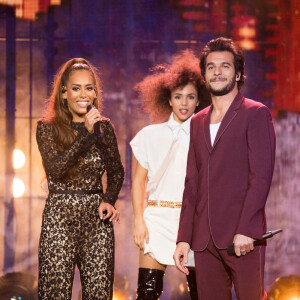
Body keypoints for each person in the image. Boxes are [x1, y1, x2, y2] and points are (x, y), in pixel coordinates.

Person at [173, 37, 276, 300]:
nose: (217, 71)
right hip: (204, 241)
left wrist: (247, 229)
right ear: (205, 76)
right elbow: (191, 183)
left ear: (238, 73)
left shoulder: (256, 113)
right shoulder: (196, 121)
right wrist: (184, 238)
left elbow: (261, 177)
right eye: (211, 67)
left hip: (242, 239)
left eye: (225, 66)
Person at [36, 58, 124, 299]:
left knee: (98, 295)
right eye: (76, 88)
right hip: (59, 221)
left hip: (97, 223)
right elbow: (56, 170)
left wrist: (109, 199)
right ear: (64, 93)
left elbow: (116, 171)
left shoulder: (104, 128)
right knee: (54, 294)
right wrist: (85, 133)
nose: (83, 94)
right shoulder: (47, 128)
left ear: (95, 92)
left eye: (89, 87)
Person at [130, 50, 211, 299]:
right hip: (155, 219)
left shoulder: (206, 136)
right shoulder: (148, 135)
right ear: (169, 100)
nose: (184, 103)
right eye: (178, 96)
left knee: (201, 293)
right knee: (147, 293)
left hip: (194, 223)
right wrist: (138, 221)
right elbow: (137, 182)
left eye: (190, 97)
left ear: (199, 101)